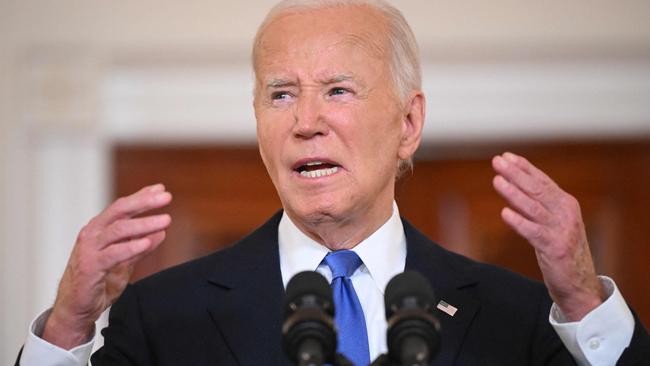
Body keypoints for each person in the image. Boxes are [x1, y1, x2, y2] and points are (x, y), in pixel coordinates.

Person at [17, 1, 648, 365]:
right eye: (281, 93)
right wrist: (69, 327)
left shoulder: (517, 318)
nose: (306, 122)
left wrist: (587, 305)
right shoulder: (163, 317)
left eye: (337, 90)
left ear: (408, 123)